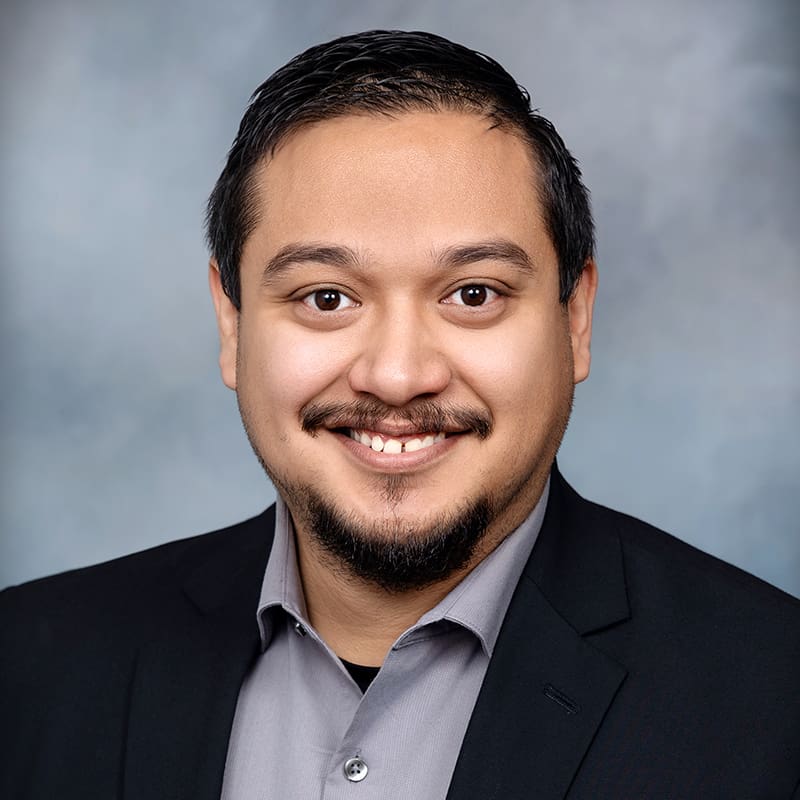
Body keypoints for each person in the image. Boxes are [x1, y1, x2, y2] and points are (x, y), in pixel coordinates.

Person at [1, 29, 798, 800]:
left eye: (473, 295)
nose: (397, 374)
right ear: (234, 325)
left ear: (575, 318)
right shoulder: (29, 671)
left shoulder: (772, 704)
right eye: (326, 298)